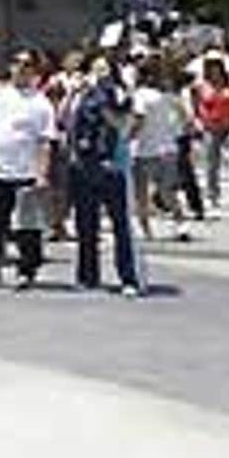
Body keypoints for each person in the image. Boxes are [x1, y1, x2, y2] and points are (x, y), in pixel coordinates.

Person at [0, 50, 57, 290]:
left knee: (27, 227)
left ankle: (27, 270)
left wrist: (42, 173)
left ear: (35, 70)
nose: (21, 68)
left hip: (27, 172)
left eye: (27, 65)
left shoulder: (41, 103)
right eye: (17, 63)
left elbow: (45, 141)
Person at [68, 55, 141, 295]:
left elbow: (123, 123)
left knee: (120, 224)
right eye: (95, 69)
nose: (100, 74)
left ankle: (128, 277)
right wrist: (74, 94)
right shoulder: (79, 94)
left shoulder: (120, 93)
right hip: (83, 166)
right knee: (86, 224)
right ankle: (87, 276)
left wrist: (106, 100)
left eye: (105, 69)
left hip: (114, 166)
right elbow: (64, 122)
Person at [129, 56, 189, 242]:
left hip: (144, 149)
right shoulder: (169, 96)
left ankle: (146, 230)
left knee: (141, 193)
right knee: (167, 191)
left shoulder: (140, 95)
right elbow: (184, 117)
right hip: (168, 148)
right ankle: (180, 224)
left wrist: (127, 137)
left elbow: (139, 119)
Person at [191, 54, 229, 212]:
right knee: (212, 164)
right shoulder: (201, 86)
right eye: (210, 66)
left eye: (216, 65)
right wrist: (200, 122)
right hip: (211, 128)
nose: (214, 69)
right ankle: (213, 195)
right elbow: (199, 107)